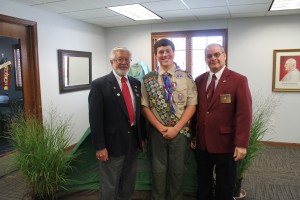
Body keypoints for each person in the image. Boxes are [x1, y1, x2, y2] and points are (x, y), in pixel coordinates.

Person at [191, 43, 252, 200]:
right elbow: (195, 111)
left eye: (217, 54)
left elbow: (244, 114)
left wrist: (241, 144)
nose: (213, 58)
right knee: (203, 183)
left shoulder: (238, 80)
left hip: (226, 143)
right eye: (209, 56)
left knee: (225, 186)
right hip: (202, 143)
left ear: (224, 56)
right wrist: (193, 136)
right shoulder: (199, 80)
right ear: (205, 59)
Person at [141, 39, 197, 200]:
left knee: (178, 171)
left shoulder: (186, 76)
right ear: (156, 55)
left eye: (168, 50)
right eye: (160, 52)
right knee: (158, 171)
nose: (165, 54)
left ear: (173, 52)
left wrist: (176, 128)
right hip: (156, 133)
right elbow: (145, 107)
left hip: (180, 132)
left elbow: (192, 105)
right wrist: (160, 127)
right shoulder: (148, 79)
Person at [88, 47, 145, 200]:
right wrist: (100, 146)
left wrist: (142, 138)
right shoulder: (99, 85)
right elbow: (95, 119)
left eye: (127, 60)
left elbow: (139, 114)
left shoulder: (135, 84)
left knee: (128, 182)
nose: (124, 63)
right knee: (110, 184)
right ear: (112, 61)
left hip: (132, 142)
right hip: (111, 144)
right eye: (120, 59)